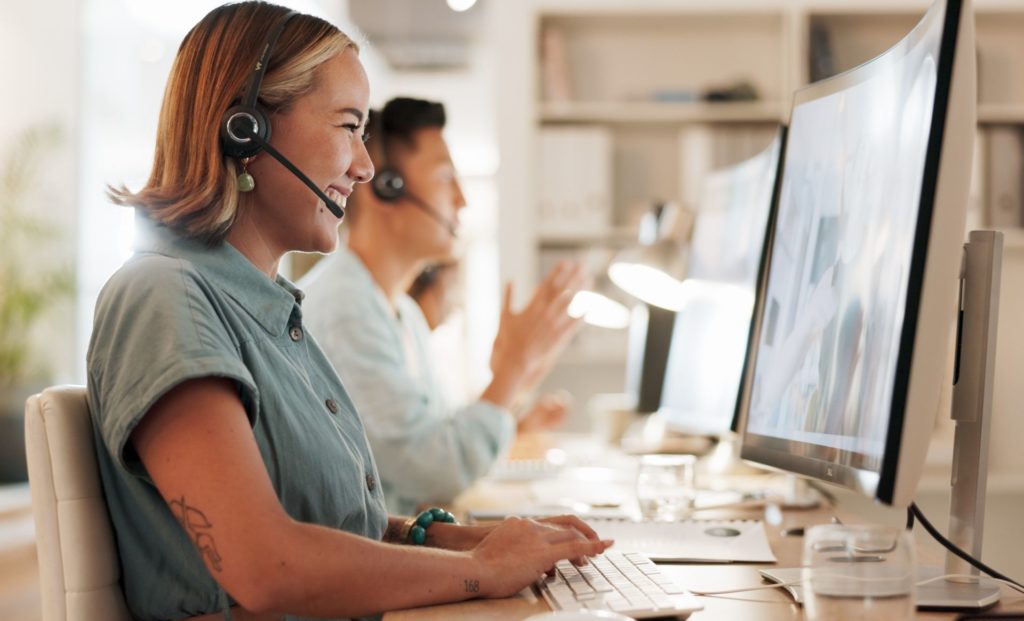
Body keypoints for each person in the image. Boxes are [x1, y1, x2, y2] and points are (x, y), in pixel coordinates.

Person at [88, 4, 610, 621]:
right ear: (245, 130)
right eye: (348, 126)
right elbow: (267, 567)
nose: (365, 166)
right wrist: (480, 572)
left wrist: (456, 539)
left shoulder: (266, 310)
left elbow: (326, 522)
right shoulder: (163, 298)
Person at [299, 97, 585, 515]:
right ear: (386, 187)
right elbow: (434, 469)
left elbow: (434, 437)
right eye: (445, 177)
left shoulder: (401, 311)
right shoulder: (347, 309)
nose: (462, 200)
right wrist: (510, 374)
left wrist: (514, 397)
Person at [407, 261, 571, 432]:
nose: (456, 304)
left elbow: (458, 433)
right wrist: (514, 367)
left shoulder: (423, 352)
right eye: (452, 287)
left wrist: (521, 423)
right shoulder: (406, 351)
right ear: (425, 283)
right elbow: (450, 446)